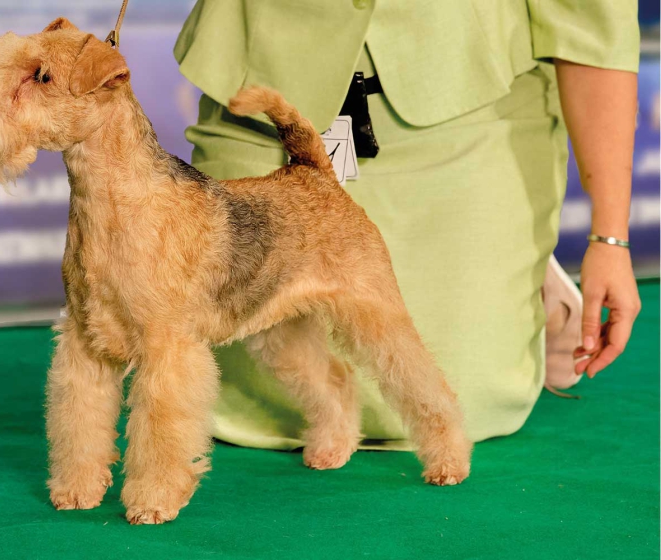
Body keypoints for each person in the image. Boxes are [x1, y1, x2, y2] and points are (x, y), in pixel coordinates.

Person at [173, 1, 642, 449]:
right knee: (245, 403)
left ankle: (530, 282)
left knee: (473, 401)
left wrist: (610, 238)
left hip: (467, 109)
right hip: (257, 106)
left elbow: (595, 24)